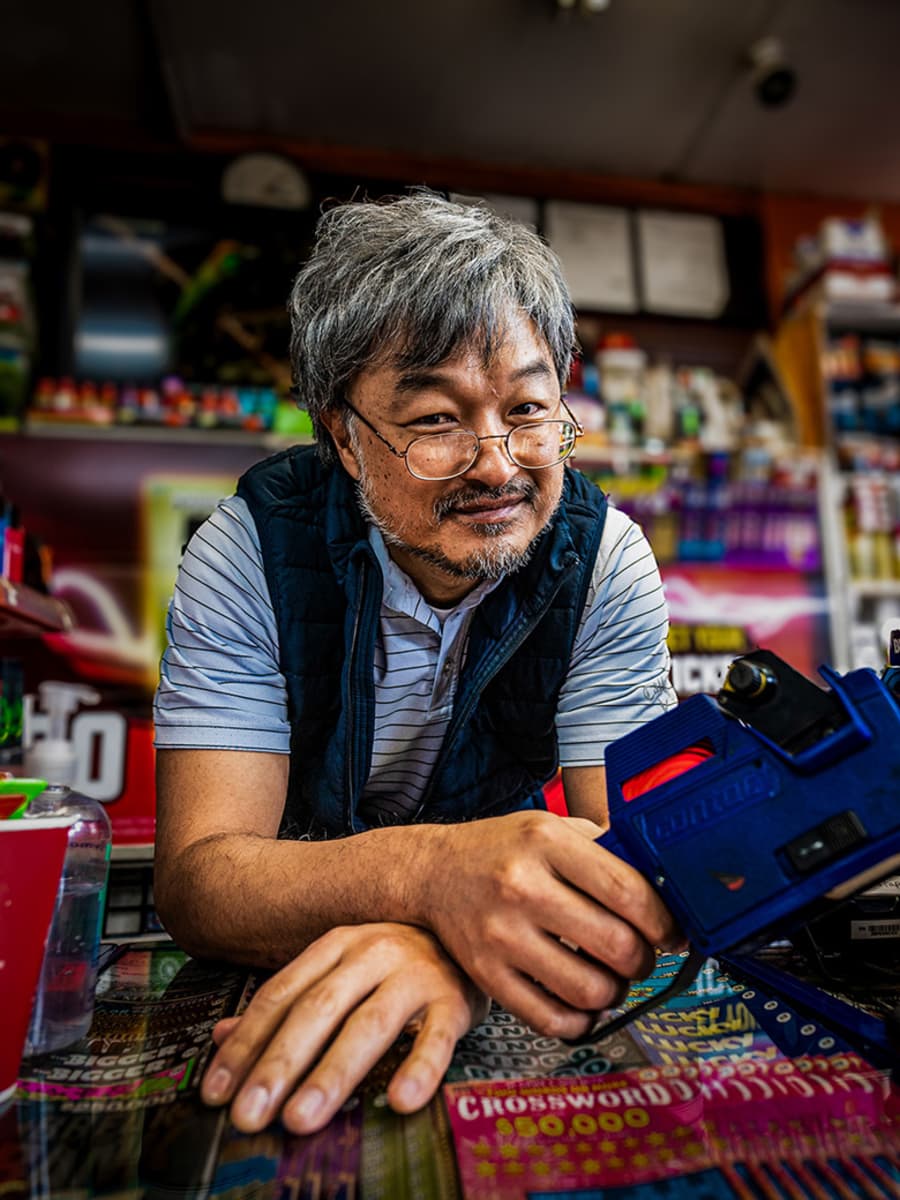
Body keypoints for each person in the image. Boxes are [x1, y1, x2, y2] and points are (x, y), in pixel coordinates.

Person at [153, 192, 680, 1137]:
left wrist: (454, 951)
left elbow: (640, 868)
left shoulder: (605, 561)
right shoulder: (249, 551)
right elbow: (202, 882)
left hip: (474, 985)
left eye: (528, 409)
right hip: (281, 967)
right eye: (436, 419)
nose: (499, 466)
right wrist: (433, 877)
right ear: (346, 436)